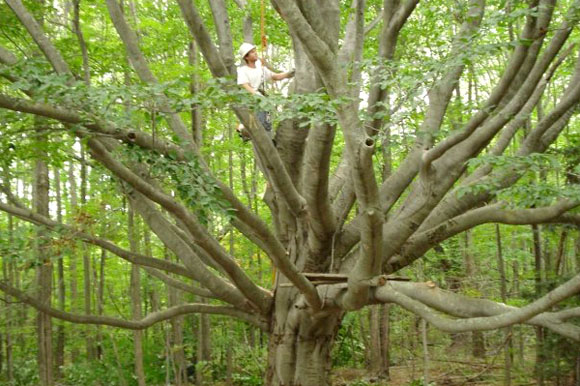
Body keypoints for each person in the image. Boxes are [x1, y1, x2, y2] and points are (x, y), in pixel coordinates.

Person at [236, 42, 294, 140]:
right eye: (252, 52)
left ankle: (263, 137)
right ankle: (243, 129)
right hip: (250, 98)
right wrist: (256, 95)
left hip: (261, 98)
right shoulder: (243, 70)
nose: (255, 53)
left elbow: (275, 76)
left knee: (266, 122)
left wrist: (288, 74)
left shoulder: (261, 69)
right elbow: (244, 85)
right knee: (259, 120)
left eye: (255, 51)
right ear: (246, 57)